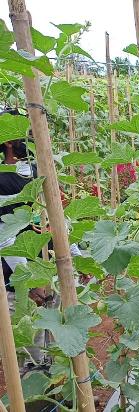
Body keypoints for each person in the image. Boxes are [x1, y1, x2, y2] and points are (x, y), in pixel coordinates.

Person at [0, 108, 47, 373]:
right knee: (27, 357)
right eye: (24, 129)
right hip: (15, 279)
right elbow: (3, 236)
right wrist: (26, 282)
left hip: (41, 270)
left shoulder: (34, 171)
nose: (31, 134)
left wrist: (76, 254)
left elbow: (54, 219)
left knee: (46, 353)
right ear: (8, 140)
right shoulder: (1, 178)